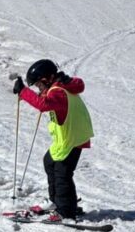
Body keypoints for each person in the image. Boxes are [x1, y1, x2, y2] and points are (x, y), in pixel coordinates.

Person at [12, 59, 93, 220]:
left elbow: (44, 104)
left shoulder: (58, 92)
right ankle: (56, 201)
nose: (39, 88)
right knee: (49, 162)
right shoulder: (59, 88)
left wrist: (24, 92)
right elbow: (46, 97)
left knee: (62, 174)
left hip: (71, 140)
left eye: (39, 85)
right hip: (66, 139)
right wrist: (26, 93)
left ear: (47, 79)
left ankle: (66, 211)